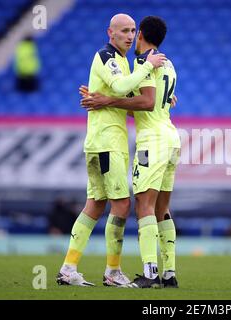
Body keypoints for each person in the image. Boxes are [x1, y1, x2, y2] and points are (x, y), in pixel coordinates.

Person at [56, 13, 166, 287]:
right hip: (107, 143)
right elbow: (120, 87)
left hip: (99, 142)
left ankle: (68, 268)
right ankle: (113, 272)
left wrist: (160, 100)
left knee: (95, 205)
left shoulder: (121, 62)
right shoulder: (107, 57)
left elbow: (125, 99)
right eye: (124, 31)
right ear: (110, 33)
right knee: (122, 204)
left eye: (132, 31)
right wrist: (147, 66)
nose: (130, 36)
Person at [80, 16, 180, 289]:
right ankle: (169, 274)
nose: (131, 36)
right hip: (172, 138)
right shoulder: (167, 63)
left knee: (144, 206)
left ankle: (150, 273)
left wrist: (106, 100)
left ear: (141, 36)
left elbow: (147, 102)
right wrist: (101, 94)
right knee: (163, 209)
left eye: (134, 32)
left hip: (152, 141)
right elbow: (164, 98)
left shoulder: (142, 63)